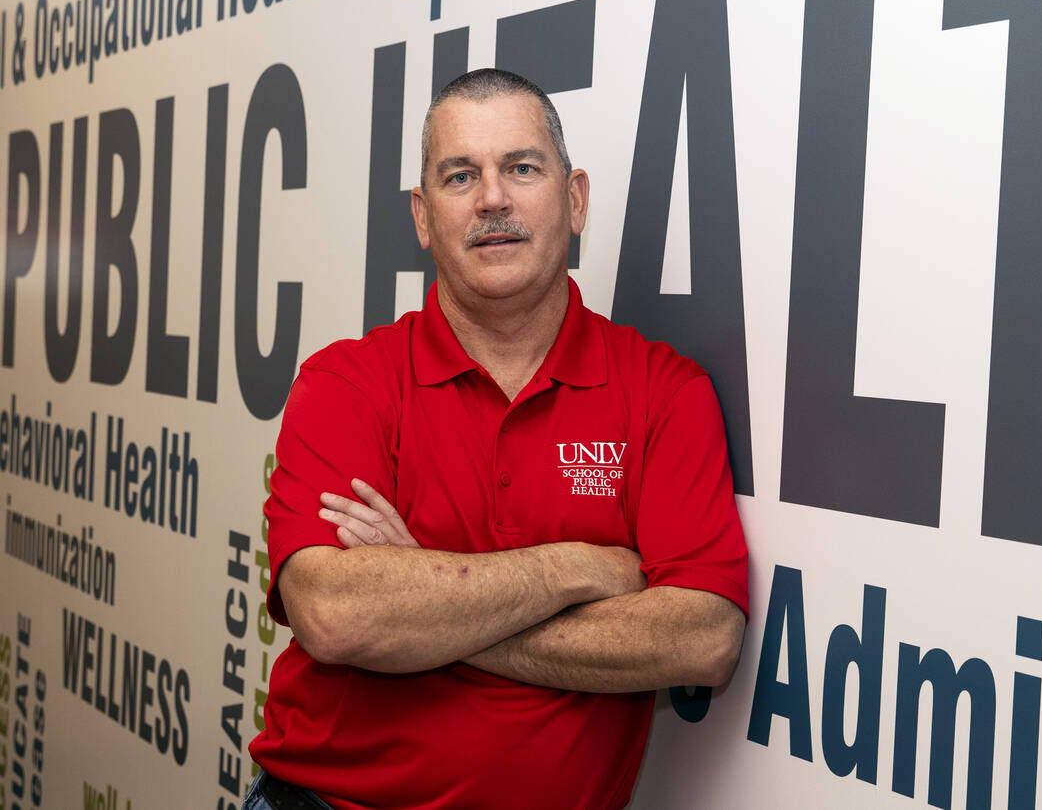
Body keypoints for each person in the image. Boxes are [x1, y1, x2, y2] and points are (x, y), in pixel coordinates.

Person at [244, 68, 749, 810]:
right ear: (422, 216)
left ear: (574, 199)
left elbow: (701, 639)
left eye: (521, 167)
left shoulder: (662, 392)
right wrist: (577, 568)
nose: (492, 199)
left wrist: (424, 596)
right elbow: (335, 613)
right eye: (460, 176)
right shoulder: (345, 384)